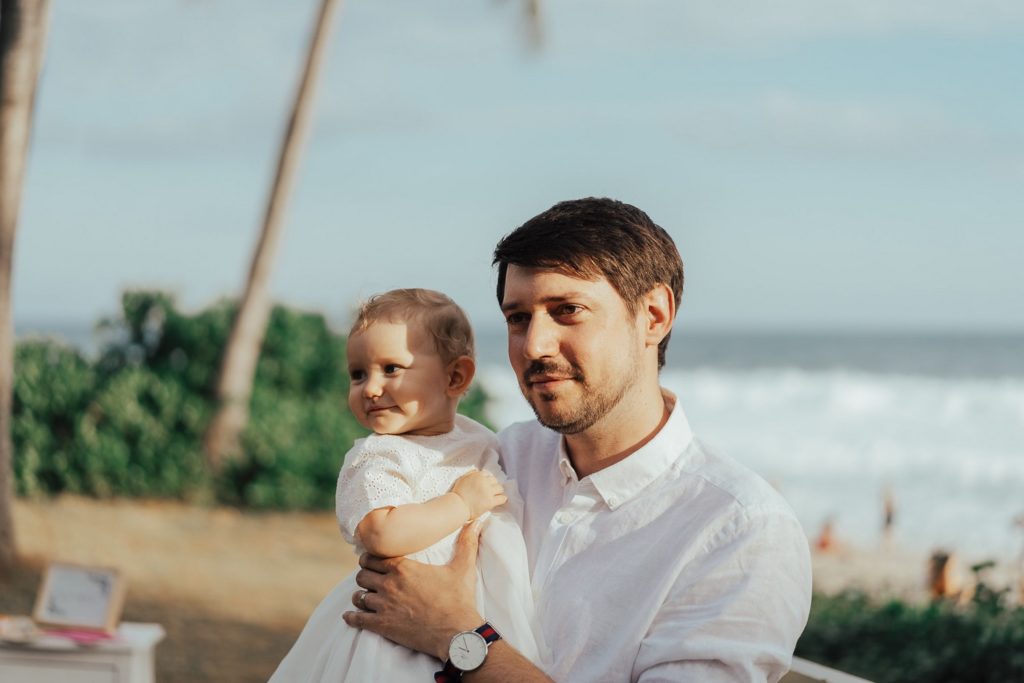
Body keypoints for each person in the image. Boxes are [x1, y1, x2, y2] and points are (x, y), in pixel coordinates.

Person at [343, 198, 813, 682]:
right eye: (518, 318)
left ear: (653, 315)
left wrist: (460, 639)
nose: (533, 346)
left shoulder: (740, 531)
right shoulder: (497, 457)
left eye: (567, 310)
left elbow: (437, 621)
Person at [270, 289, 543, 682]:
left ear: (455, 377)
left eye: (391, 369)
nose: (371, 388)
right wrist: (460, 504)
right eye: (358, 374)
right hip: (396, 628)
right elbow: (381, 531)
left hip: (477, 613)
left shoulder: (477, 439)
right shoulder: (380, 456)